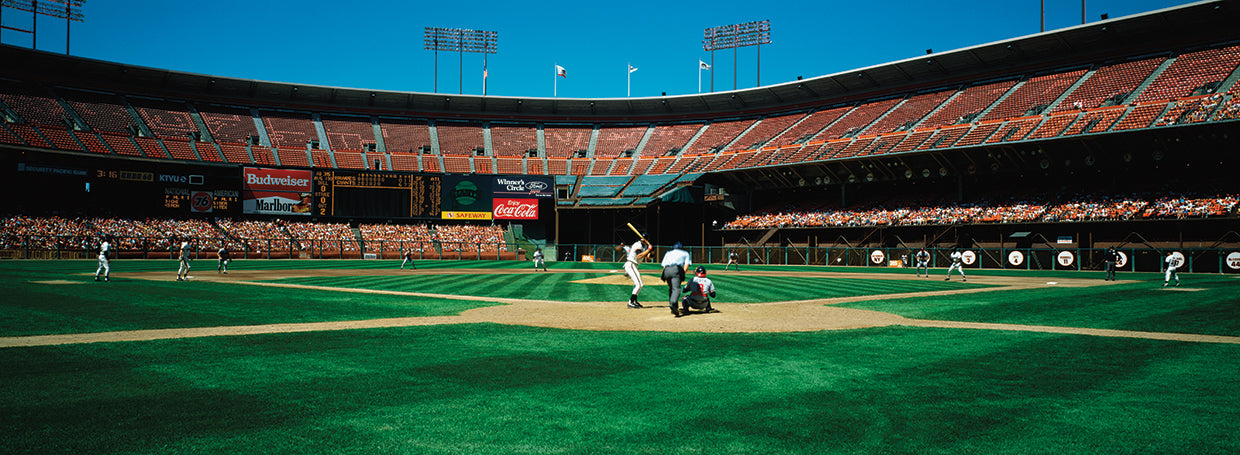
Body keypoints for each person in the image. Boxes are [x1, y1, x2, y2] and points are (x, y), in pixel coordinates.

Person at [660, 242, 692, 317]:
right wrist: (682, 274)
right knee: (676, 289)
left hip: (667, 270)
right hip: (676, 269)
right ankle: (673, 303)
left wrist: (667, 273)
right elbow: (686, 265)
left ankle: (673, 307)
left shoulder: (668, 253)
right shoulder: (685, 253)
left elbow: (664, 266)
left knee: (671, 288)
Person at [618, 239, 652, 308]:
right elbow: (639, 256)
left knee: (638, 284)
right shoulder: (638, 245)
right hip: (631, 264)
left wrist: (652, 251)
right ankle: (631, 302)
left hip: (634, 265)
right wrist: (648, 250)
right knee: (639, 284)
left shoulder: (644, 247)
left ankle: (634, 301)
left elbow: (649, 258)